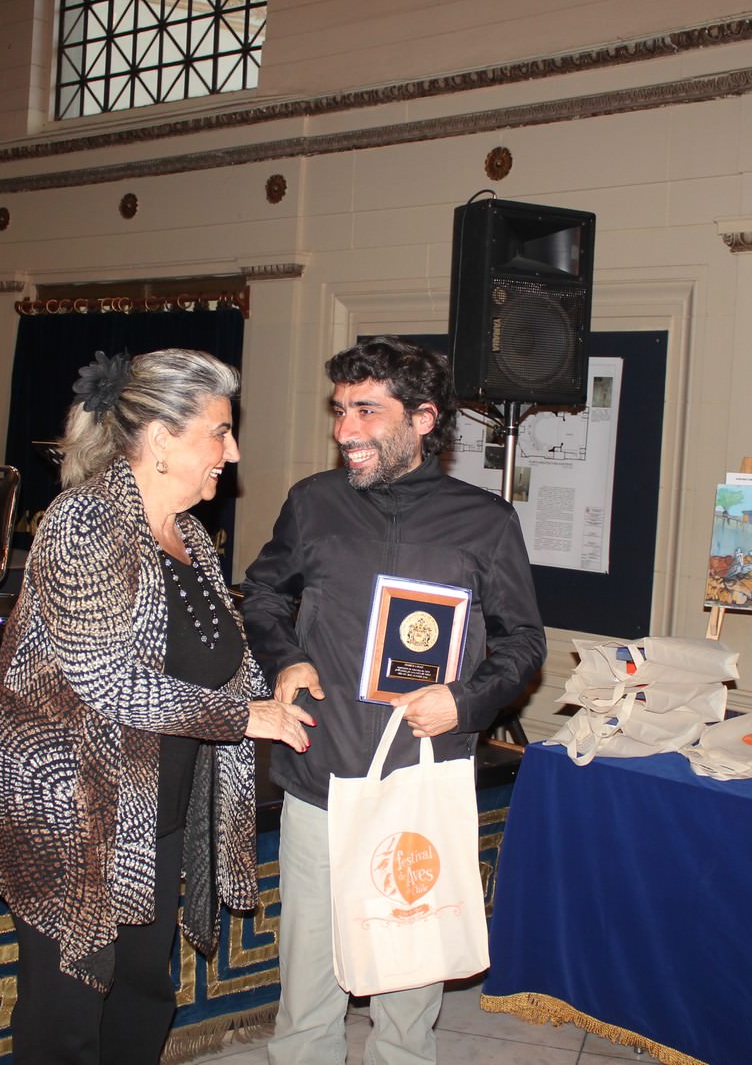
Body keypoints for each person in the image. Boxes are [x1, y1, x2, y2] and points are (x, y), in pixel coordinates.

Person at [0, 348, 315, 1065]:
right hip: (70, 809)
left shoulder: (186, 536)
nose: (233, 450)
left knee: (144, 991)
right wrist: (250, 718)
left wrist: (272, 683)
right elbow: (108, 681)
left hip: (154, 809)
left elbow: (217, 653)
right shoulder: (84, 523)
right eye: (219, 430)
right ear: (158, 440)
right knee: (67, 1012)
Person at [240, 335, 546, 1064]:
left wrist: (467, 702)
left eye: (367, 411)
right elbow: (261, 595)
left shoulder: (486, 522)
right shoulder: (312, 504)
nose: (346, 430)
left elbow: (524, 643)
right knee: (309, 976)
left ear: (422, 419)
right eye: (340, 410)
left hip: (423, 777)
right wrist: (287, 662)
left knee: (409, 983)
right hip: (323, 773)